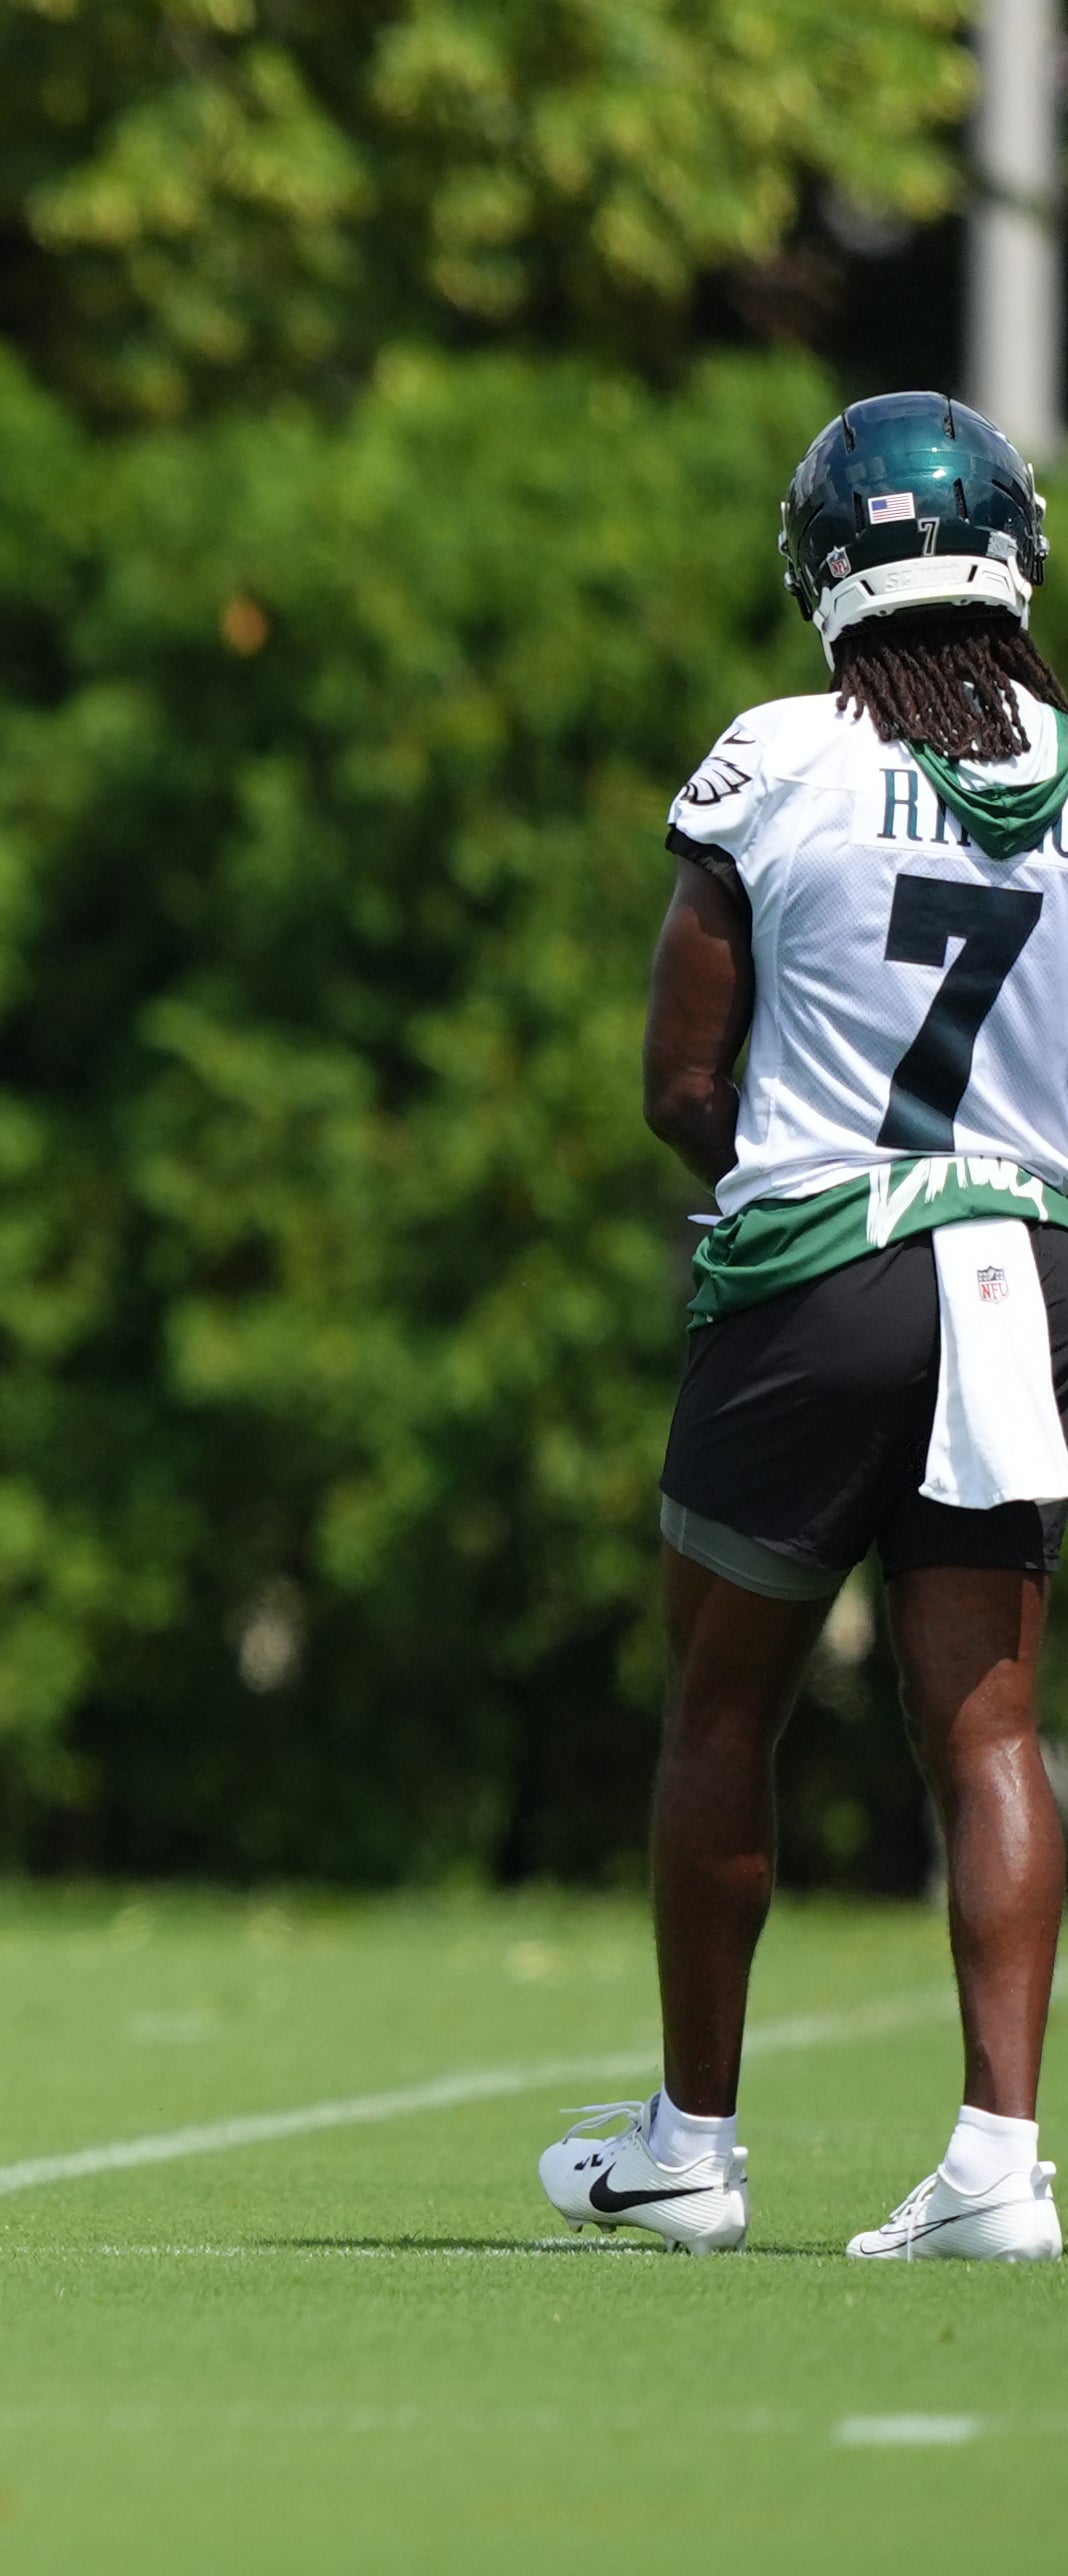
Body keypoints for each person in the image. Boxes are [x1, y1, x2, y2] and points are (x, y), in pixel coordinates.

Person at [542, 393, 1068, 2262]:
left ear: (825, 571)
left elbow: (684, 1082)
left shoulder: (780, 756)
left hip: (823, 1268)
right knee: (990, 1728)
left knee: (724, 1703)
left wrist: (775, 1173)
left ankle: (692, 2139)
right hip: (1020, 1273)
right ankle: (1003, 2165)